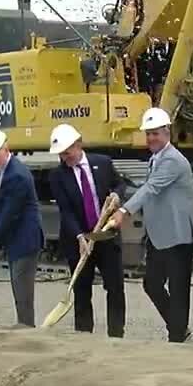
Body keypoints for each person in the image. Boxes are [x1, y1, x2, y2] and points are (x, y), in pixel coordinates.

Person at [110, 107, 193, 342]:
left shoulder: (172, 160)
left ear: (167, 132)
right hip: (159, 235)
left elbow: (150, 189)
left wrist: (124, 210)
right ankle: (179, 327)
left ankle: (177, 336)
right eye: (148, 134)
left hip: (178, 235)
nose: (150, 138)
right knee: (152, 283)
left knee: (179, 290)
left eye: (155, 134)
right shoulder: (156, 158)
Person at [47, 123, 127, 338]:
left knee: (115, 288)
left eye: (67, 152)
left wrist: (118, 197)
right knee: (82, 291)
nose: (65, 157)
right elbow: (66, 210)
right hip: (79, 239)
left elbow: (120, 185)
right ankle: (83, 336)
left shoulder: (103, 163)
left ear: (79, 144)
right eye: (61, 154)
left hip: (106, 236)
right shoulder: (57, 176)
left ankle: (116, 335)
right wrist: (79, 236)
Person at [0, 125, 44, 327]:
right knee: (17, 285)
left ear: (5, 148)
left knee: (22, 288)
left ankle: (26, 328)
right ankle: (23, 325)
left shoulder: (17, 175)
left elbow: (10, 215)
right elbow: (2, 205)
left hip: (25, 240)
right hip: (15, 239)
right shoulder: (2, 171)